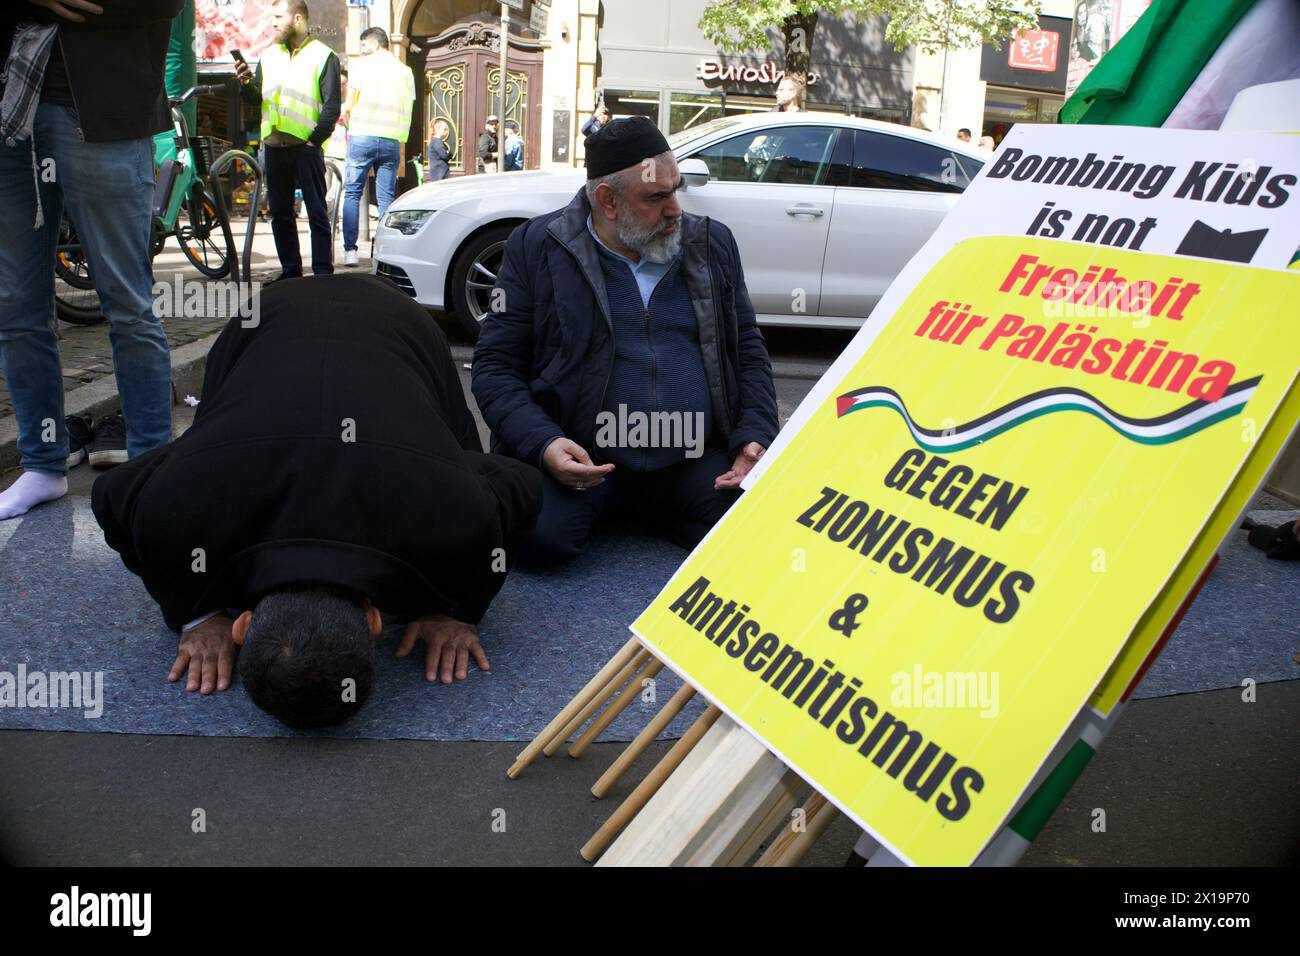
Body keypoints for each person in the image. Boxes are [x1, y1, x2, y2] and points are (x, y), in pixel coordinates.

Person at [92, 274, 543, 728]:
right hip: (295, 316)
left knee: (458, 455)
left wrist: (455, 610)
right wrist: (455, 609)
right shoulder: (177, 512)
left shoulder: (455, 517)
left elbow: (523, 488)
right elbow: (111, 495)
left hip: (315, 320)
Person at [471, 116, 780, 567]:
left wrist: (754, 434)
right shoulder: (536, 247)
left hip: (692, 455)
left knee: (760, 532)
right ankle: (634, 509)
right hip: (586, 456)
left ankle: (650, 509)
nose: (675, 209)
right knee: (537, 541)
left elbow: (748, 350)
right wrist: (544, 444)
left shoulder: (711, 244)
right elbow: (495, 367)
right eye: (657, 197)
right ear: (607, 201)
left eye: (676, 190)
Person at [0, 0, 178, 521]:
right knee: (15, 305)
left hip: (103, 114)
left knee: (127, 301)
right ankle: (43, 463)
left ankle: (150, 466)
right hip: (14, 105)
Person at [236, 0, 340, 279]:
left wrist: (314, 142)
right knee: (280, 214)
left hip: (305, 148)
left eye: (278, 17)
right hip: (273, 148)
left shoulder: (323, 55)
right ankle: (291, 271)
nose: (273, 23)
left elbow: (332, 106)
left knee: (317, 213)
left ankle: (322, 273)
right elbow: (258, 98)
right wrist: (246, 85)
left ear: (297, 18)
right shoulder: (269, 55)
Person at [339, 26, 414, 267]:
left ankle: (351, 251)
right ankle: (383, 253)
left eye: (363, 46)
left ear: (373, 44)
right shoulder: (405, 71)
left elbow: (348, 105)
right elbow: (408, 106)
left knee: (352, 192)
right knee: (386, 198)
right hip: (391, 139)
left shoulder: (362, 67)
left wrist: (350, 126)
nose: (361, 51)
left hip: (362, 136)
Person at [425, 118, 451, 182]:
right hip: (439, 173)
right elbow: (444, 155)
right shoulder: (437, 142)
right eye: (444, 129)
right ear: (438, 129)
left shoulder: (435, 141)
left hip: (438, 172)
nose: (447, 132)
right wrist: (449, 153)